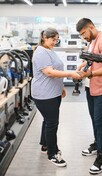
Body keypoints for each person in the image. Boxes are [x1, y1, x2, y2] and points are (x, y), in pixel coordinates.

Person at [31, 28, 81, 167]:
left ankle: (45, 146)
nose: (55, 42)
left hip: (53, 92)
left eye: (57, 40)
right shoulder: (41, 52)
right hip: (44, 94)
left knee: (48, 121)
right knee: (52, 123)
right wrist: (70, 74)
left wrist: (61, 87)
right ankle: (52, 154)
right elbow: (49, 72)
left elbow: (55, 70)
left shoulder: (49, 51)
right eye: (53, 39)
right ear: (44, 38)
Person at [76, 18, 102, 175]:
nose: (83, 37)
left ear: (91, 27)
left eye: (83, 33)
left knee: (100, 120)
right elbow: (91, 59)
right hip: (91, 85)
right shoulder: (92, 41)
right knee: (94, 118)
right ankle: (97, 143)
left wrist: (91, 73)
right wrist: (82, 66)